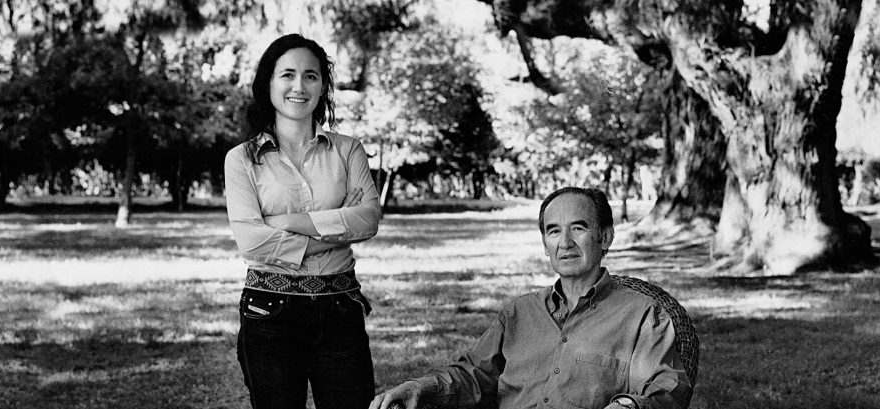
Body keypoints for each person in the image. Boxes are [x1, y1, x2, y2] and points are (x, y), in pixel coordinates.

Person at [370, 187, 691, 409]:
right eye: (553, 231)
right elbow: (473, 375)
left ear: (605, 237)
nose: (565, 243)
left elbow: (666, 387)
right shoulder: (518, 314)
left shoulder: (642, 315)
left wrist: (628, 405)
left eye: (578, 228)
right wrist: (420, 388)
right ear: (545, 243)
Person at [224, 33, 381, 409]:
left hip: (340, 308)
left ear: (323, 85)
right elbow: (251, 241)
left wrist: (288, 221)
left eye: (311, 76)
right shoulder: (242, 159)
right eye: (288, 75)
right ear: (268, 83)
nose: (299, 85)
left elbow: (369, 218)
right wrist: (336, 228)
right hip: (269, 310)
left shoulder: (348, 149)